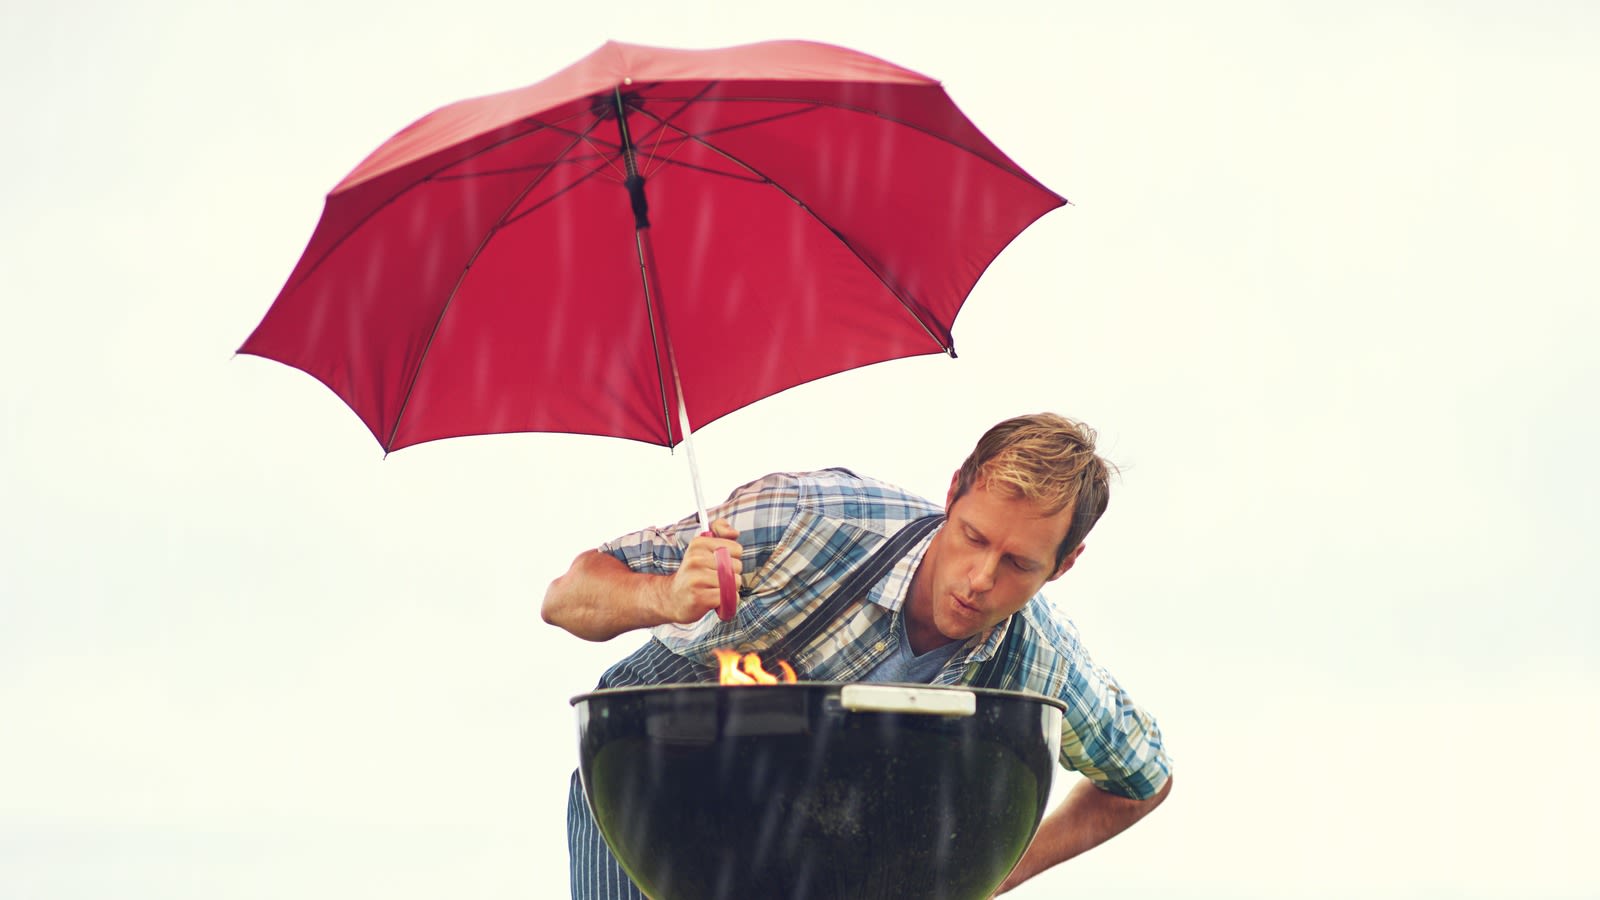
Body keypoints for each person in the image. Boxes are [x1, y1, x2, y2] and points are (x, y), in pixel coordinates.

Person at [543, 412, 1172, 898]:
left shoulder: (1043, 658)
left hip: (826, 847)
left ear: (1064, 565)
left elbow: (1142, 781)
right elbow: (567, 598)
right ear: (952, 494)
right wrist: (668, 594)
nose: (980, 577)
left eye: (1019, 564)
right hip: (652, 785)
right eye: (973, 537)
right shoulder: (804, 517)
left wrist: (990, 874)